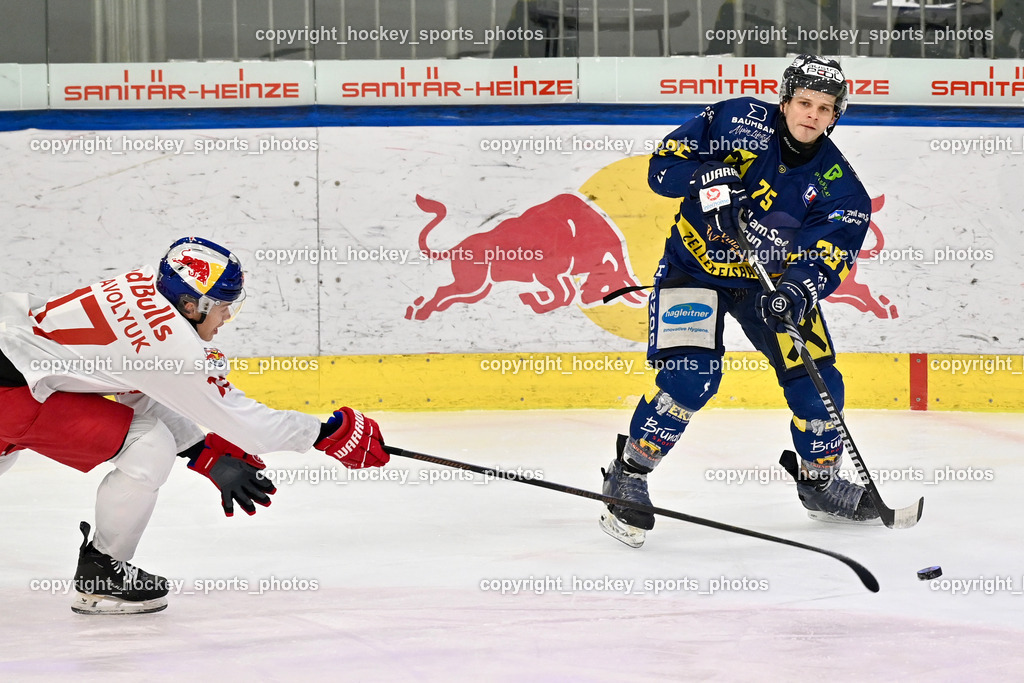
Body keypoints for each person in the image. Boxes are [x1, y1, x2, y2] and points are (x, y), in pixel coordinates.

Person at [0, 237, 389, 613]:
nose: (225, 318)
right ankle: (103, 574)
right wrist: (326, 434)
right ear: (190, 304)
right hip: (12, 392)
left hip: (15, 363)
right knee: (148, 446)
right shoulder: (173, 345)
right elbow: (247, 425)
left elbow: (137, 385)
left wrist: (202, 453)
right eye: (221, 307)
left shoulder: (143, 286)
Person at [600, 55, 876, 548]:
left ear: (836, 116)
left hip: (768, 286)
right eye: (804, 102)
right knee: (692, 377)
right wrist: (706, 177)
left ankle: (820, 483)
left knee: (819, 385)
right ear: (785, 101)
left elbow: (827, 254)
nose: (812, 115)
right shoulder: (736, 121)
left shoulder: (842, 189)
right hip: (692, 270)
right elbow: (662, 171)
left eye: (825, 108)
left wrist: (795, 291)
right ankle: (628, 474)